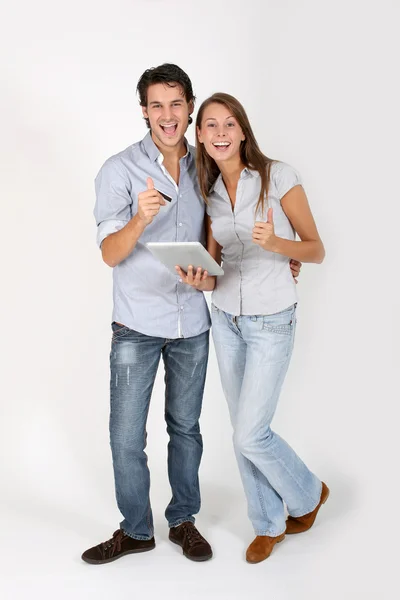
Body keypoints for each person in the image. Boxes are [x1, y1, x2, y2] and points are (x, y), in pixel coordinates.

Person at [82, 65, 301, 565]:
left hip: (194, 325)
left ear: (190, 110)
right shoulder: (118, 171)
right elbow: (109, 255)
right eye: (156, 105)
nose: (167, 115)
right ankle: (136, 530)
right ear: (143, 111)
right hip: (135, 324)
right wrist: (140, 218)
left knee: (186, 430)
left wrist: (284, 252)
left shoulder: (207, 166)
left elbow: (233, 227)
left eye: (176, 104)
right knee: (125, 437)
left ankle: (183, 520)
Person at [176, 92, 329, 564]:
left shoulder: (278, 176)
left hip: (271, 319)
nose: (220, 133)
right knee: (244, 426)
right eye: (210, 126)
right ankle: (268, 523)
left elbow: (317, 249)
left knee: (250, 433)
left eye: (229, 124)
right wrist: (199, 277)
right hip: (224, 317)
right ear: (199, 136)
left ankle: (307, 495)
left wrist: (278, 242)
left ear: (243, 130)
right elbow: (216, 263)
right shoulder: (210, 192)